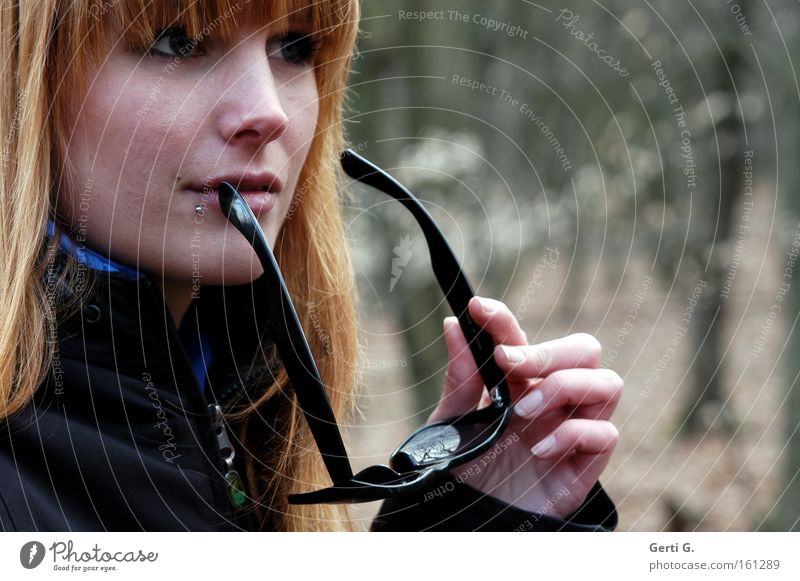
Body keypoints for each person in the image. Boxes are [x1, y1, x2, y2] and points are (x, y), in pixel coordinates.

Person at [0, 0, 622, 532]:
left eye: (294, 46)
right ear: (24, 82)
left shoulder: (240, 385)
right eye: (176, 40)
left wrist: (472, 523)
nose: (267, 111)